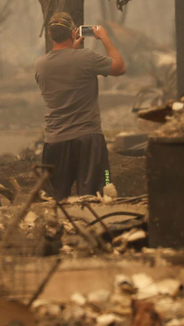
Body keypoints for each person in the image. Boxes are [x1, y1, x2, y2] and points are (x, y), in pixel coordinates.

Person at [33, 12, 127, 200]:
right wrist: (105, 39)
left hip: (55, 142)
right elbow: (119, 67)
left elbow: (65, 68)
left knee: (54, 200)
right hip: (89, 140)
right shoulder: (87, 58)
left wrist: (72, 51)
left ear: (50, 35)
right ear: (72, 33)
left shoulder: (40, 65)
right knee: (102, 190)